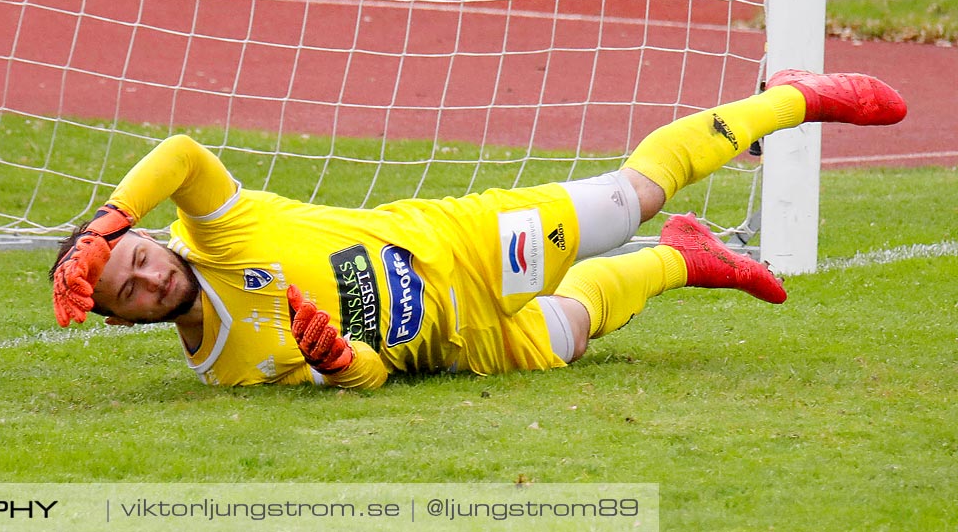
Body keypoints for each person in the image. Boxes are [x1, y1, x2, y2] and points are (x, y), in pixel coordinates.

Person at [49, 70, 906, 389]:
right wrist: (344, 365)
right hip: (456, 347)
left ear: (156, 236)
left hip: (468, 241)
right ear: (125, 320)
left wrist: (105, 220)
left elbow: (181, 150)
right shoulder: (224, 374)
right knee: (574, 331)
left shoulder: (219, 230)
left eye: (140, 255)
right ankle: (685, 259)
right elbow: (372, 379)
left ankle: (793, 99)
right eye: (131, 288)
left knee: (632, 195)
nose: (151, 274)